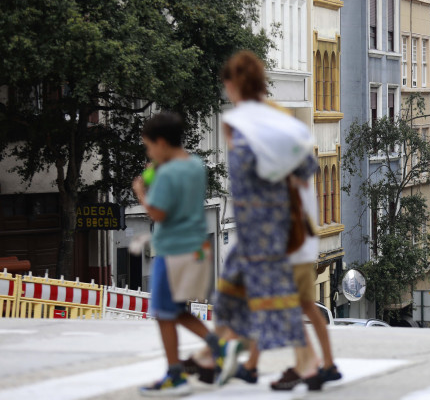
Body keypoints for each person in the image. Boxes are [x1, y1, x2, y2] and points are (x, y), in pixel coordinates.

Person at [209, 50, 320, 388]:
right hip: (272, 224)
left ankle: (305, 366)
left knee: (268, 299)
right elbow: (306, 168)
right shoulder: (277, 120)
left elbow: (250, 177)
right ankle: (223, 357)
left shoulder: (240, 126)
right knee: (253, 295)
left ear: (232, 85)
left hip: (260, 229)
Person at [132, 112, 229, 397]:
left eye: (149, 146)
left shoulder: (166, 173)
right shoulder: (196, 165)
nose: (149, 152)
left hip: (172, 249)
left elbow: (158, 212)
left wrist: (141, 192)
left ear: (161, 143)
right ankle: (219, 345)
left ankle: (175, 375)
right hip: (196, 247)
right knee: (175, 310)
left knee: (163, 313)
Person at [236, 184, 343, 390]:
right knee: (288, 309)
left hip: (291, 255)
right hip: (296, 253)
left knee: (288, 309)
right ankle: (319, 364)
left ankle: (311, 365)